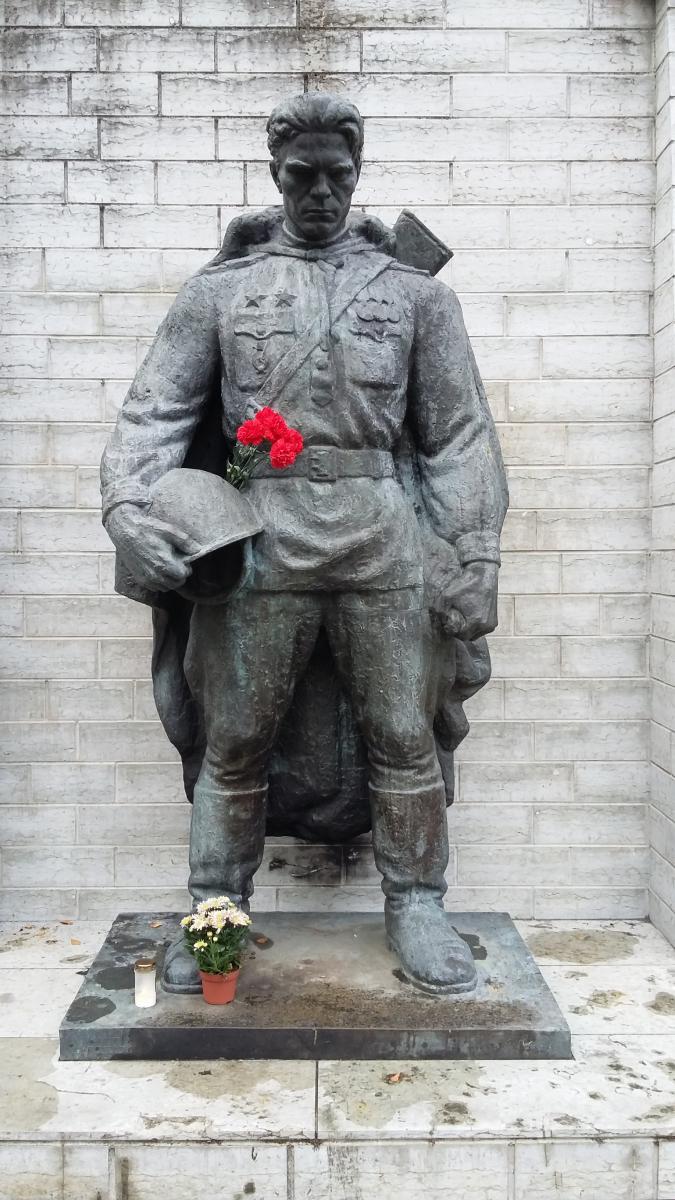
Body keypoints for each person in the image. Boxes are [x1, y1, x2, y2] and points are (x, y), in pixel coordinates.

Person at [101, 93, 508, 996]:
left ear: (356, 174)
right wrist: (129, 514)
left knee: (401, 732)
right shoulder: (217, 293)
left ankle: (417, 903)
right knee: (235, 736)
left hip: (380, 534)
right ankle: (217, 910)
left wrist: (474, 552)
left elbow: (457, 436)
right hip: (260, 539)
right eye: (301, 176)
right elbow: (154, 415)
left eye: (338, 175)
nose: (320, 193)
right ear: (276, 175)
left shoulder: (414, 297)